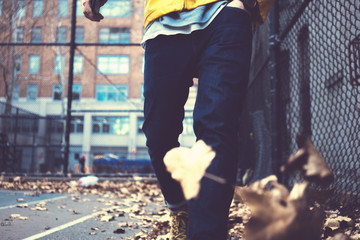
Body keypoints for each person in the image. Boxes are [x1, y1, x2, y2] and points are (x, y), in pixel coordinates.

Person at [81, 0, 273, 239]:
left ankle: (207, 234)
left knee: (217, 130)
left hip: (226, 13)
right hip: (165, 21)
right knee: (157, 132)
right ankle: (179, 207)